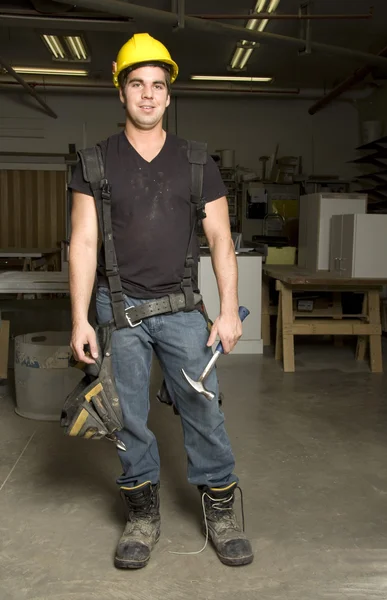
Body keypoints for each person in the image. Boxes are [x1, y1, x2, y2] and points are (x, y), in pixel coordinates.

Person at [68, 32, 253, 569]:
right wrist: (79, 318)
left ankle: (220, 513)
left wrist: (226, 309)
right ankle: (142, 515)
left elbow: (220, 237)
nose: (147, 95)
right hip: (117, 310)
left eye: (157, 85)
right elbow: (81, 242)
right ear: (120, 91)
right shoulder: (95, 162)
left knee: (203, 408)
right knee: (125, 415)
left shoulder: (197, 162)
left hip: (181, 310)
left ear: (169, 95)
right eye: (136, 84)